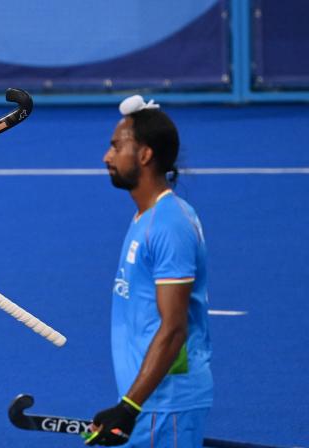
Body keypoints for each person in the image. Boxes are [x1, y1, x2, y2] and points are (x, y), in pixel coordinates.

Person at [84, 95, 213, 447]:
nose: (106, 157)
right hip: (149, 402)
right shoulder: (148, 217)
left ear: (144, 155)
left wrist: (128, 407)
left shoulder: (169, 225)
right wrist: (126, 406)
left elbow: (173, 329)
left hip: (165, 404)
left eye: (116, 147)